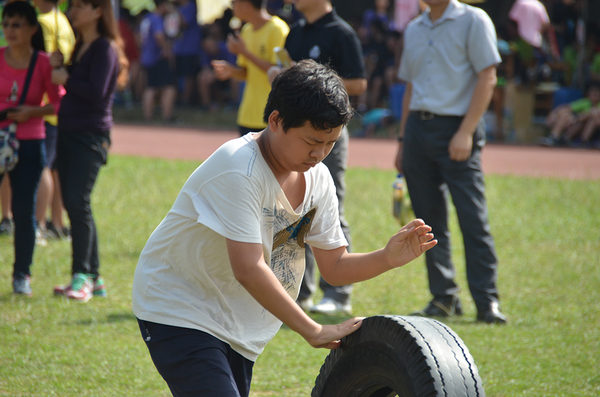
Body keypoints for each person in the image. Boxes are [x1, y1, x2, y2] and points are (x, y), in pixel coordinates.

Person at [132, 60, 437, 397]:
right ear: (275, 120)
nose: (319, 153)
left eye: (330, 143)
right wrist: (313, 329)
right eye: (311, 141)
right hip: (180, 308)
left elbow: (334, 268)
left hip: (237, 322)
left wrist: (387, 257)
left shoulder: (319, 178)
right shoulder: (239, 168)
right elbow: (248, 268)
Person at [394, 0, 507, 324]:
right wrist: (403, 140)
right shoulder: (414, 28)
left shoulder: (474, 20)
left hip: (457, 128)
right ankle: (443, 297)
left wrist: (466, 131)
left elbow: (488, 77)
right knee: (427, 222)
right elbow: (411, 86)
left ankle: (487, 302)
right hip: (418, 129)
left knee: (473, 219)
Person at [277, 0, 367, 316]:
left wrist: (311, 85)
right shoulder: (295, 31)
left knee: (330, 205)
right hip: (293, 135)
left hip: (327, 135)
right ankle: (297, 291)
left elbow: (358, 83)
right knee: (292, 208)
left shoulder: (341, 33)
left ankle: (338, 295)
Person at [50, 0, 128, 302]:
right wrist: (63, 66)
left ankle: (81, 276)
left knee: (77, 201)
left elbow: (96, 93)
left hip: (90, 136)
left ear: (98, 11)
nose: (74, 11)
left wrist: (66, 77)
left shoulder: (105, 48)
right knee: (75, 202)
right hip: (70, 131)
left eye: (81, 5)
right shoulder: (82, 45)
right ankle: (93, 278)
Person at [0, 0, 64, 295]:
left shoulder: (43, 63)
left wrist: (31, 112)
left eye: (16, 24)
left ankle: (21, 275)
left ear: (31, 29)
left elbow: (58, 102)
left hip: (30, 142)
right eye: (6, 24)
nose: (10, 31)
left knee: (24, 212)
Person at [32, 0, 75, 241]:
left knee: (43, 165)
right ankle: (57, 224)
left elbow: (44, 61)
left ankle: (38, 223)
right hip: (62, 101)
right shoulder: (64, 21)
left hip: (46, 102)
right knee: (56, 168)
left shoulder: (42, 22)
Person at [212, 0, 289, 137]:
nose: (232, 7)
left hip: (270, 115)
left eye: (234, 3)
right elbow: (246, 72)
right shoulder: (246, 30)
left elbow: (278, 72)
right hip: (247, 114)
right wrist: (232, 71)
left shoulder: (278, 29)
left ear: (245, 4)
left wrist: (244, 52)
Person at [139, 0, 176, 122]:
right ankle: (167, 116)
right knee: (169, 87)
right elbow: (158, 35)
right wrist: (167, 49)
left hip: (147, 57)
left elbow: (138, 37)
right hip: (157, 58)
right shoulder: (157, 19)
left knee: (150, 87)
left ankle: (148, 117)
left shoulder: (146, 18)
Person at [541, 81, 600, 147]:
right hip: (578, 126)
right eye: (592, 93)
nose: (594, 96)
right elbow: (566, 107)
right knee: (565, 115)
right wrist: (553, 113)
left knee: (591, 117)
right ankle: (555, 137)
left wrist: (577, 118)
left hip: (594, 129)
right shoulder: (586, 102)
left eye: (596, 94)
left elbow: (594, 115)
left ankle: (583, 142)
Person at [172, 0, 201, 106]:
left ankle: (185, 100)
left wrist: (175, 12)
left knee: (188, 75)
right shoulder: (177, 8)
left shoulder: (191, 6)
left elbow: (185, 23)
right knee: (177, 74)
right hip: (178, 48)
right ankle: (177, 99)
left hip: (190, 48)